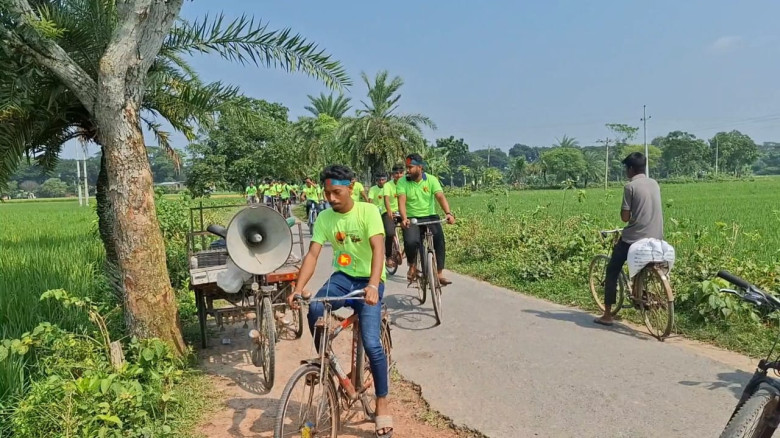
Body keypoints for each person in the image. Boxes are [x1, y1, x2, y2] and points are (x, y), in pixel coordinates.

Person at [287, 164, 393, 437]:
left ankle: (382, 404)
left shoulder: (367, 211)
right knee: (314, 307)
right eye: (327, 193)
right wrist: (298, 288)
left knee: (371, 343)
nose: (331, 198)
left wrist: (372, 285)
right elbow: (312, 255)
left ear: (351, 187)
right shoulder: (324, 218)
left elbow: (378, 248)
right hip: (343, 277)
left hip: (369, 281)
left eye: (336, 192)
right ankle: (325, 363)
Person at [595, 152, 664, 326]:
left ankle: (608, 314)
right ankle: (640, 291)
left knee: (612, 269)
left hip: (634, 239)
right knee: (644, 266)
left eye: (627, 168)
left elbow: (625, 218)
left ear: (631, 169)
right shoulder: (654, 183)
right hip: (656, 237)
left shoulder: (630, 187)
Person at [398, 153, 456, 285]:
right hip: (412, 218)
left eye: (411, 167)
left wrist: (448, 213)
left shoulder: (431, 180)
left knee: (439, 240)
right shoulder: (403, 182)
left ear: (420, 167)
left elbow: (440, 197)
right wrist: (404, 218)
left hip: (430, 216)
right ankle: (412, 265)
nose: (408, 170)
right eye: (407, 167)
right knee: (411, 241)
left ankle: (439, 273)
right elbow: (401, 201)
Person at [383, 164, 404, 267]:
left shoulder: (407, 184)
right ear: (392, 175)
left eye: (400, 173)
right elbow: (386, 198)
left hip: (402, 211)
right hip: (389, 212)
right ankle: (388, 256)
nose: (398, 175)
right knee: (390, 233)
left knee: (410, 229)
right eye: (396, 173)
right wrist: (389, 210)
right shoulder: (388, 185)